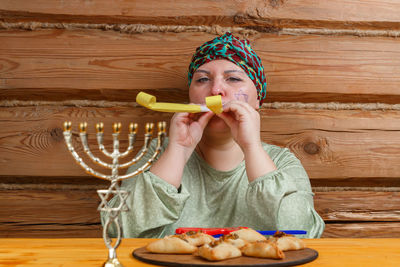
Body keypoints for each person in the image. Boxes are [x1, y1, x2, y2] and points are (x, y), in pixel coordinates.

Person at [102, 32, 325, 238]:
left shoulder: (282, 162)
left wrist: (252, 147)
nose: (216, 90)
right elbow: (117, 230)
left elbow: (303, 234)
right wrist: (178, 150)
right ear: (190, 95)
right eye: (202, 79)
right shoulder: (157, 154)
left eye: (234, 79)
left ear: (258, 99)